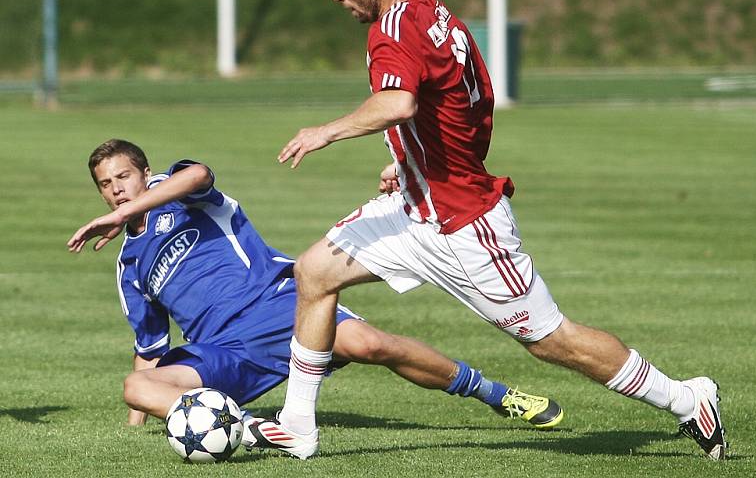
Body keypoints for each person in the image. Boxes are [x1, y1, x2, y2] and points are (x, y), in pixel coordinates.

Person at [269, 0, 728, 461]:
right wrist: (411, 163)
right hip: (417, 208)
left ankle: (685, 399)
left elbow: (399, 103)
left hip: (465, 226)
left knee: (552, 341)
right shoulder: (435, 14)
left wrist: (326, 131)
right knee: (314, 271)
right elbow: (468, 107)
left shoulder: (390, 30)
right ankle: (297, 424)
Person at [66, 138, 563, 450]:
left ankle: (498, 395)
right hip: (224, 351)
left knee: (372, 346)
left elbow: (198, 175)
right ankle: (246, 428)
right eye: (106, 186)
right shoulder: (129, 266)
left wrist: (128, 210)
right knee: (135, 387)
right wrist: (137, 423)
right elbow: (148, 351)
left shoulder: (185, 195)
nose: (116, 191)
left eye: (124, 177)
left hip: (281, 305)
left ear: (145, 173)